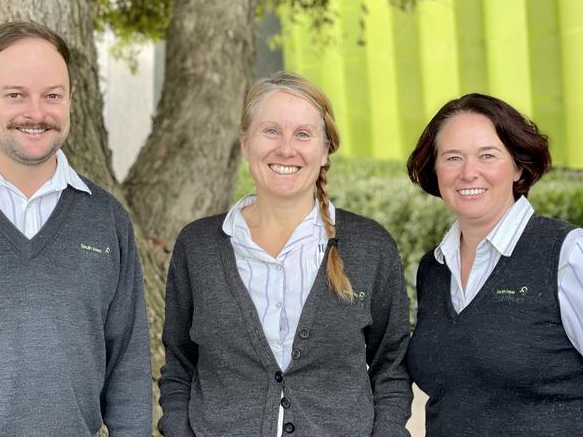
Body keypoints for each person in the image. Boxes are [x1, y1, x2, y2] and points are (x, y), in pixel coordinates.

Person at [158, 71, 412, 437]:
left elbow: (392, 367)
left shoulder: (370, 247)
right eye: (271, 131)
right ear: (245, 143)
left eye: (303, 134)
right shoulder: (198, 247)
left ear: (325, 151)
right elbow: (179, 364)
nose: (286, 148)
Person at [0, 21, 152, 436]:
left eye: (52, 95)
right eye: (15, 95)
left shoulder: (106, 221)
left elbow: (128, 369)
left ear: (70, 99)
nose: (36, 113)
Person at [406, 93, 583, 437]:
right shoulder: (434, 269)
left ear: (518, 166)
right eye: (453, 157)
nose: (469, 173)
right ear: (435, 169)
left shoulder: (567, 255)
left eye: (487, 155)